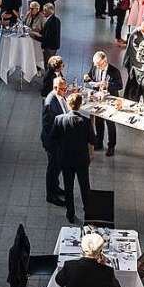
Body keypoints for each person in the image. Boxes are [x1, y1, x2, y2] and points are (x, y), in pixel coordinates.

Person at [50, 92, 93, 224]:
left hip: (66, 159)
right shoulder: (86, 122)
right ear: (80, 105)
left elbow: (53, 137)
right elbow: (92, 140)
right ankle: (88, 211)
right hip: (81, 160)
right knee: (85, 187)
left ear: (68, 105)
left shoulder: (59, 119)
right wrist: (90, 155)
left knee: (68, 187)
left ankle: (70, 213)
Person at [83, 51, 122, 156]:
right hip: (98, 99)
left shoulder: (114, 71)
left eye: (99, 65)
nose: (96, 66)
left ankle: (111, 146)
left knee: (110, 124)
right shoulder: (95, 66)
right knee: (99, 121)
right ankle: (99, 142)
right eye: (95, 64)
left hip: (110, 100)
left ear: (105, 62)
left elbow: (119, 85)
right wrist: (87, 78)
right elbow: (91, 76)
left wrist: (107, 85)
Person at [41, 77, 68, 207]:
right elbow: (47, 126)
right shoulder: (49, 103)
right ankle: (51, 195)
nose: (66, 91)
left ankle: (56, 187)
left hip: (59, 141)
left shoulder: (60, 97)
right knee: (53, 168)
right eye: (63, 89)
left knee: (57, 168)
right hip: (53, 142)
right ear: (55, 88)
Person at [40, 3, 61, 69]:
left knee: (48, 63)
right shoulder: (56, 19)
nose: (43, 12)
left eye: (45, 11)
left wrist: (36, 36)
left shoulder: (50, 22)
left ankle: (48, 77)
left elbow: (47, 37)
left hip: (50, 46)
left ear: (49, 11)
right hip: (54, 45)